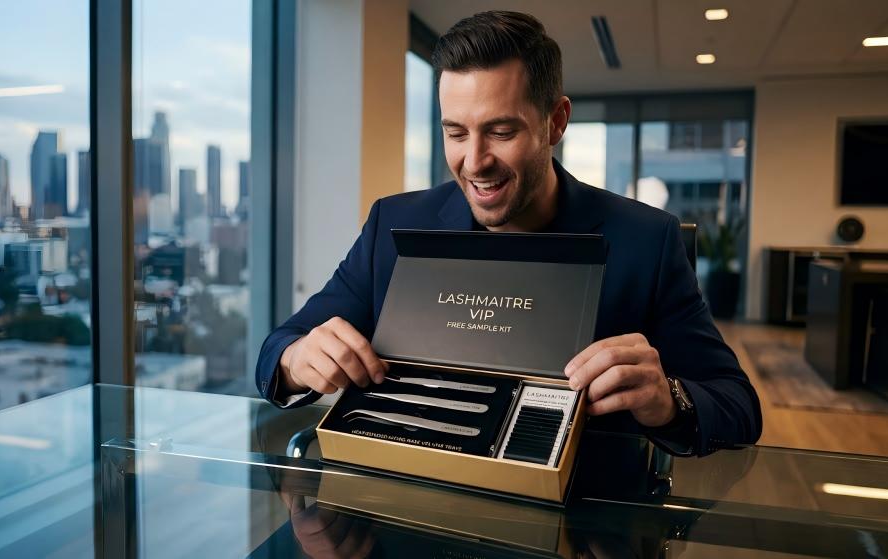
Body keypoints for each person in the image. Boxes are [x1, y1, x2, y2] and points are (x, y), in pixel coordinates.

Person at [255, 10, 761, 456]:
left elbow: (738, 407)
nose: (474, 162)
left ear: (555, 122)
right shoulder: (393, 224)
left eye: (501, 132)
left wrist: (667, 399)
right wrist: (298, 360)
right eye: (455, 132)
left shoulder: (647, 240)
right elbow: (278, 348)